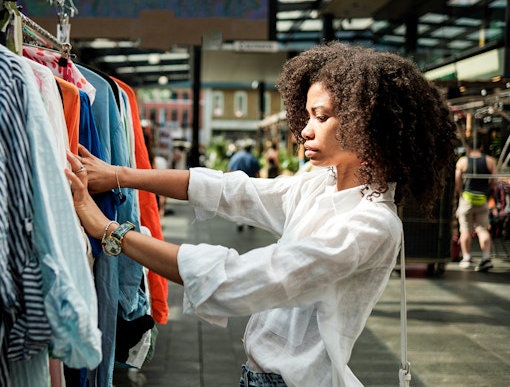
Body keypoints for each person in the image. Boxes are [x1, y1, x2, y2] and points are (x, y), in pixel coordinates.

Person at [64, 42, 456, 387]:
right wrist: (118, 174)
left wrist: (110, 231)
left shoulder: (371, 224)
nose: (305, 129)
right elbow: (233, 189)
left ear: (367, 123)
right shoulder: (319, 185)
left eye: (321, 117)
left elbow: (244, 278)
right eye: (307, 115)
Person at [455, 135, 497, 271]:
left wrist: (460, 193)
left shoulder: (462, 162)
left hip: (467, 198)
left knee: (465, 229)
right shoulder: (490, 161)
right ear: (481, 147)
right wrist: (487, 189)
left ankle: (466, 258)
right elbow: (494, 181)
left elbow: (458, 183)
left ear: (467, 149)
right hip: (482, 198)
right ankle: (486, 257)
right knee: (482, 229)